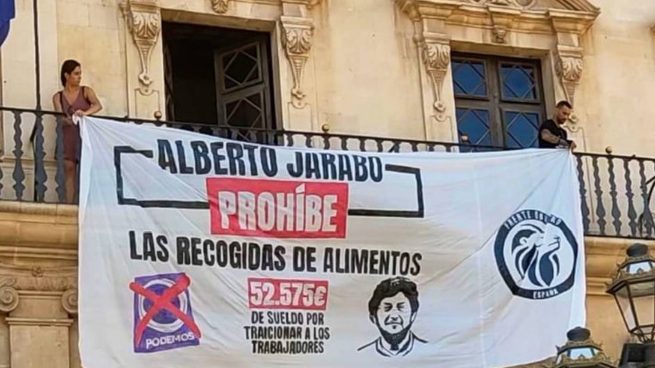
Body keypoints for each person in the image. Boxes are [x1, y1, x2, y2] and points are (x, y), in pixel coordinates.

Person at [52, 59, 102, 203]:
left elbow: (98, 106)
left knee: (86, 170)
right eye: (76, 74)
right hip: (68, 135)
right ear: (67, 76)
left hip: (83, 134)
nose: (79, 77)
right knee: (69, 169)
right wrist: (68, 120)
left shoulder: (86, 91)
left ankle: (85, 203)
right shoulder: (58, 97)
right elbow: (60, 116)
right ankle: (70, 203)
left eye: (80, 74)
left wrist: (85, 113)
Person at [358, 277, 426, 357]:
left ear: (413, 316)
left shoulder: (428, 351)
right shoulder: (361, 355)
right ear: (373, 318)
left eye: (401, 308)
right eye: (387, 308)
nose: (394, 316)